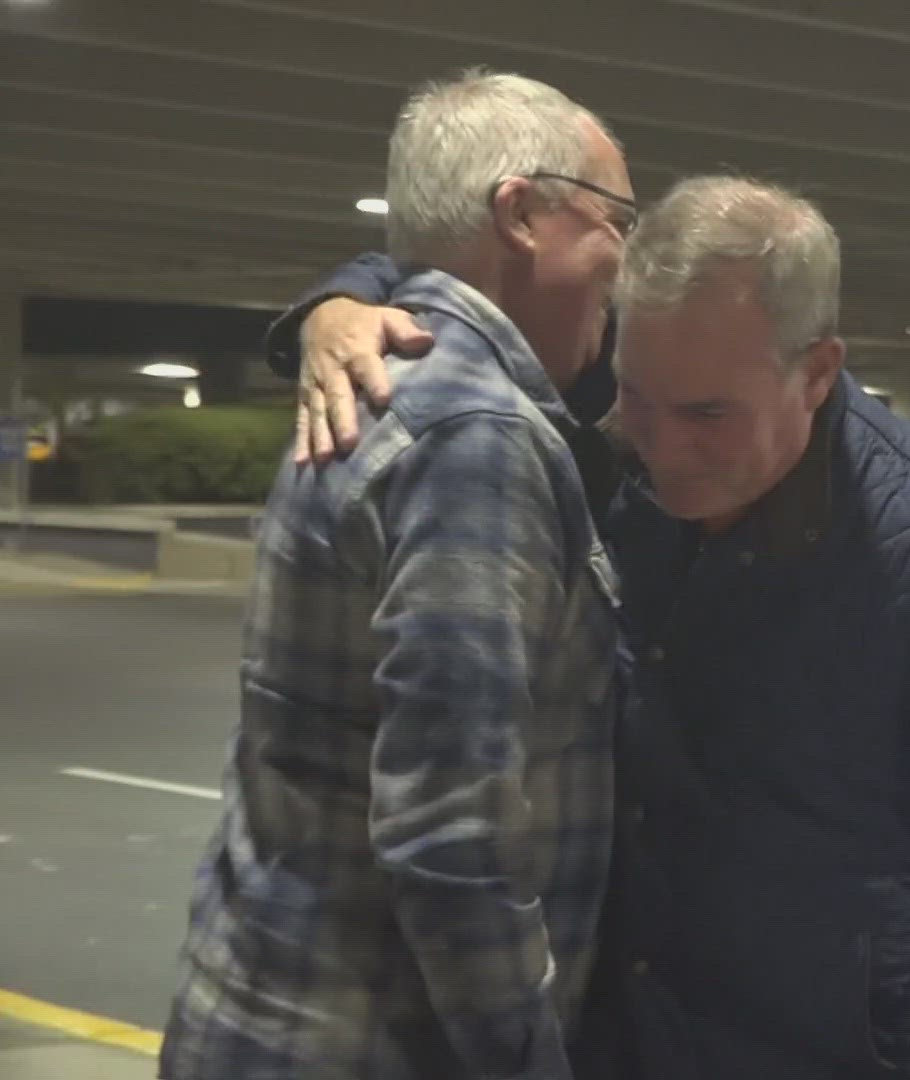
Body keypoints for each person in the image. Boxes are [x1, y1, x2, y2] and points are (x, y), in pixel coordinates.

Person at [265, 175, 910, 1080]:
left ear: (818, 371)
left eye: (708, 416)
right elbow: (470, 280)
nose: (665, 448)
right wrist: (348, 298)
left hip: (831, 1052)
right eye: (639, 398)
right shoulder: (667, 380)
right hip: (621, 1035)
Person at [159, 71, 634, 1080]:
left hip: (262, 1009)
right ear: (522, 213)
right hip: (372, 1048)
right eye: (614, 220)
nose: (624, 261)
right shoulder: (478, 437)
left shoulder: (382, 382)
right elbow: (451, 830)